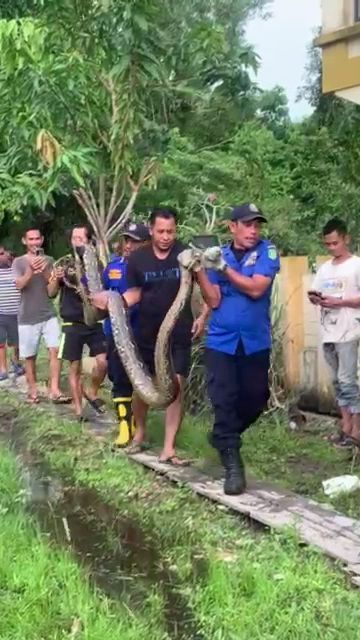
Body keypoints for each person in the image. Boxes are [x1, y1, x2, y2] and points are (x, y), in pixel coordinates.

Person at [92, 207, 208, 463]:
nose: (166, 236)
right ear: (151, 230)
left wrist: (202, 316)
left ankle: (169, 448)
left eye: (171, 231)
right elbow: (134, 295)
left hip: (178, 331)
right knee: (143, 387)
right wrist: (113, 302)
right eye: (161, 231)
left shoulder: (185, 255)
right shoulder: (138, 259)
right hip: (146, 331)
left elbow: (205, 290)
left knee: (176, 387)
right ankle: (140, 435)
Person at [196, 204, 280, 495]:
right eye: (247, 224)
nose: (254, 230)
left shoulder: (267, 252)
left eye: (257, 225)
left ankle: (222, 435)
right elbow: (214, 299)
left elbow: (257, 288)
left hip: (255, 341)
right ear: (232, 226)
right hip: (221, 341)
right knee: (224, 398)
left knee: (256, 399)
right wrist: (199, 272)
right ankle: (233, 466)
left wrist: (224, 269)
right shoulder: (221, 255)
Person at [47, 224, 108, 421]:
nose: (77, 242)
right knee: (74, 367)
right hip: (71, 322)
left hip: (93, 321)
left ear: (89, 241)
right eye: (74, 238)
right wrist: (55, 279)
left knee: (103, 362)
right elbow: (51, 293)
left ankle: (91, 391)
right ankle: (79, 410)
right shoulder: (64, 264)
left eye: (81, 238)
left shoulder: (97, 264)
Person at [308, 218, 360, 447]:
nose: (331, 248)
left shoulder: (356, 265)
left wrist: (340, 301)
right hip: (328, 332)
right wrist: (315, 298)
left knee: (348, 381)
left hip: (349, 331)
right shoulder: (325, 268)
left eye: (335, 243)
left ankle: (356, 430)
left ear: (346, 239)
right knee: (338, 382)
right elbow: (316, 292)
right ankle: (345, 426)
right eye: (327, 244)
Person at [102, 222, 151, 447]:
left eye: (136, 241)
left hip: (145, 331)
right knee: (119, 379)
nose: (130, 245)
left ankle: (141, 426)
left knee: (142, 379)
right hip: (117, 332)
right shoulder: (113, 268)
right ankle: (124, 425)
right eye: (127, 240)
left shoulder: (153, 269)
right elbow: (99, 295)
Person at [12, 228, 69, 404]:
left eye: (37, 239)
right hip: (27, 316)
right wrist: (30, 271)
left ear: (42, 240)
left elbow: (52, 292)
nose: (35, 242)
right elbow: (19, 285)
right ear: (24, 241)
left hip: (48, 314)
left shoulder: (50, 260)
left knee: (55, 350)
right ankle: (33, 390)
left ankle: (54, 389)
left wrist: (48, 274)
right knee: (30, 356)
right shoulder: (18, 262)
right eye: (31, 239)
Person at [0, 246, 24, 380]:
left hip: (17, 312)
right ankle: (2, 370)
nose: (1, 256)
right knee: (0, 342)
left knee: (16, 341)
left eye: (2, 253)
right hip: (1, 313)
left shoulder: (15, 271)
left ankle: (16, 363)